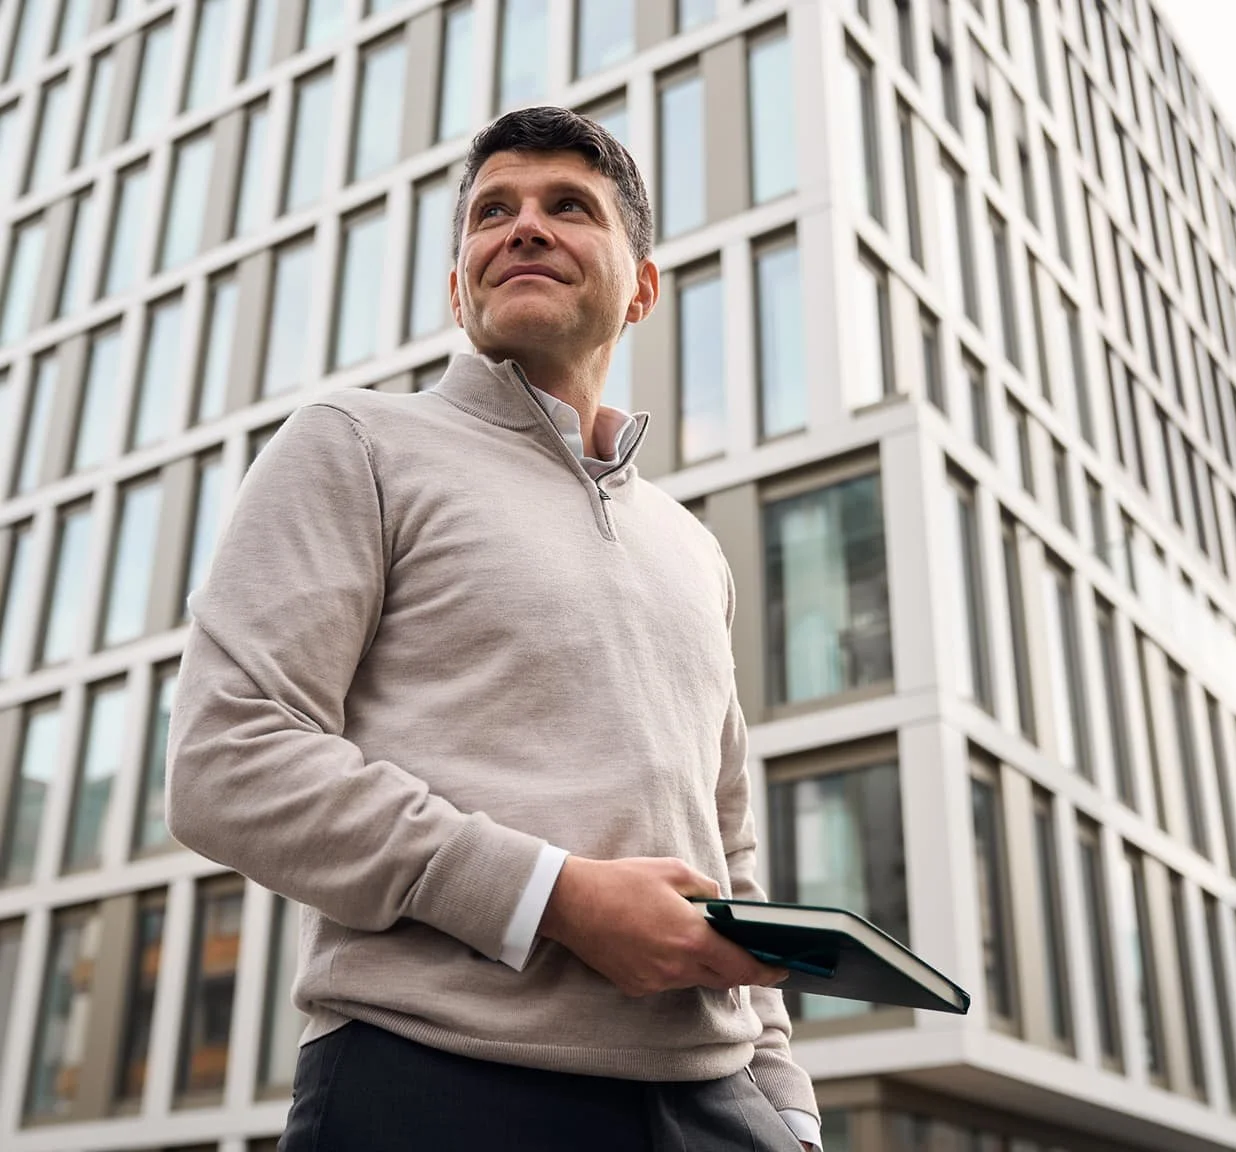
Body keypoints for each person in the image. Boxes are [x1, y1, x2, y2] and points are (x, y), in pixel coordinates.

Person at [165, 106, 822, 1151]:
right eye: (492, 213)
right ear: (459, 285)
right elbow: (226, 762)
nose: (523, 228)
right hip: (433, 1079)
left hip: (718, 1103)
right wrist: (555, 897)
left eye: (570, 207)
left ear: (642, 288)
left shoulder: (693, 548)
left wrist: (784, 1101)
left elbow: (727, 839)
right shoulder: (355, 445)